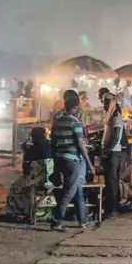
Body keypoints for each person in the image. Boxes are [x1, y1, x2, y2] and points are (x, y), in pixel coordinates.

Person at [50, 98, 95, 232]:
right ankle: (56, 221)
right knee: (69, 192)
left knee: (77, 189)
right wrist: (90, 164)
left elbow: (52, 142)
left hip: (60, 159)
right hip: (73, 160)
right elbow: (81, 145)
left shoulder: (57, 121)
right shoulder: (76, 122)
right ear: (76, 107)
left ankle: (83, 221)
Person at [3, 127, 54, 223]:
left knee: (15, 188)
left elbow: (25, 169)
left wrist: (25, 151)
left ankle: (17, 212)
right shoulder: (49, 146)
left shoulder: (32, 150)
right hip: (50, 179)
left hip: (36, 179)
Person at [101, 92, 125, 220]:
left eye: (107, 101)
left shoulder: (116, 116)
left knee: (112, 182)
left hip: (114, 153)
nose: (104, 104)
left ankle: (114, 210)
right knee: (109, 182)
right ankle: (110, 208)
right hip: (110, 152)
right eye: (103, 101)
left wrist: (108, 150)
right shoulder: (109, 116)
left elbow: (116, 137)